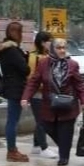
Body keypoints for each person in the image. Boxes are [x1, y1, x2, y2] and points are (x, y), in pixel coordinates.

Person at [21, 38, 84, 166]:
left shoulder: (72, 64)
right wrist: (26, 97)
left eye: (64, 48)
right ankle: (64, 146)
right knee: (46, 125)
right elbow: (34, 82)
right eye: (59, 48)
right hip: (49, 104)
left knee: (66, 131)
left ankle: (64, 157)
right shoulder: (43, 63)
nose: (62, 50)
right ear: (52, 49)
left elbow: (79, 84)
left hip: (68, 104)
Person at [0, 21, 30, 162]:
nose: (22, 35)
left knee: (11, 119)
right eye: (21, 32)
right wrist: (25, 57)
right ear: (17, 33)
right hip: (16, 88)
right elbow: (25, 69)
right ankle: (12, 151)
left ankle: (12, 150)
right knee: (12, 120)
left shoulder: (4, 50)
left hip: (10, 86)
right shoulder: (12, 51)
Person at [26, 31, 58, 159]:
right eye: (49, 41)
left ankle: (36, 145)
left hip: (46, 93)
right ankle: (44, 147)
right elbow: (32, 77)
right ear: (42, 42)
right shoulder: (35, 57)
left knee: (41, 120)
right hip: (38, 94)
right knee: (42, 121)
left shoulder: (47, 55)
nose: (51, 43)